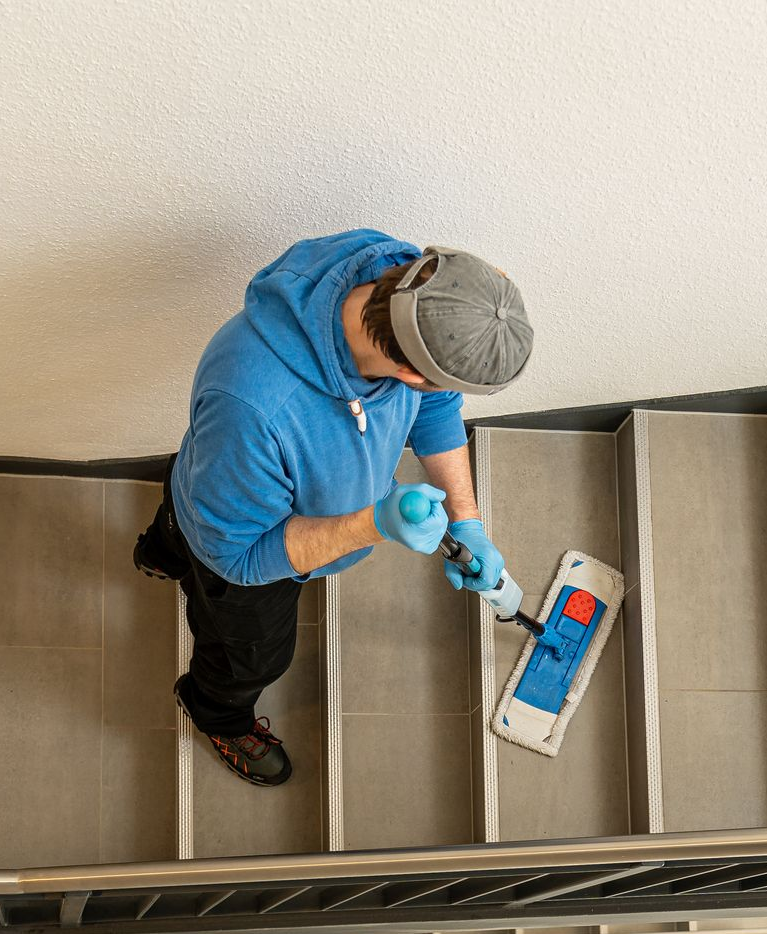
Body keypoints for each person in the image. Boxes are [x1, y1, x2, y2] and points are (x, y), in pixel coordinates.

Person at [133, 229, 533, 785]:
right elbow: (241, 557)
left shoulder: (399, 285)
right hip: (241, 550)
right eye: (433, 383)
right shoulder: (253, 406)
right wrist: (374, 523)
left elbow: (436, 406)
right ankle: (217, 713)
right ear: (412, 371)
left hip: (211, 487)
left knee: (182, 521)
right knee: (253, 657)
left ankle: (158, 554)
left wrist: (468, 521)